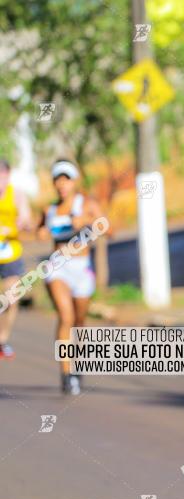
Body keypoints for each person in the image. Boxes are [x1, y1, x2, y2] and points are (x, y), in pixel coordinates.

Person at [37, 159, 104, 395]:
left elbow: (108, 228)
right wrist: (41, 232)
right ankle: (66, 374)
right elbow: (39, 231)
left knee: (79, 322)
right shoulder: (50, 210)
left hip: (82, 268)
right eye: (58, 180)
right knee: (65, 316)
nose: (62, 184)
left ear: (74, 181)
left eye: (66, 179)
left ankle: (78, 367)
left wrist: (87, 223)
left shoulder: (87, 204)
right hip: (58, 267)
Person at [0, 158, 34, 359]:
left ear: (7, 175)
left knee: (12, 297)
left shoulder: (17, 196)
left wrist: (23, 224)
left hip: (10, 253)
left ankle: (2, 340)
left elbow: (28, 221)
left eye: (1, 176)